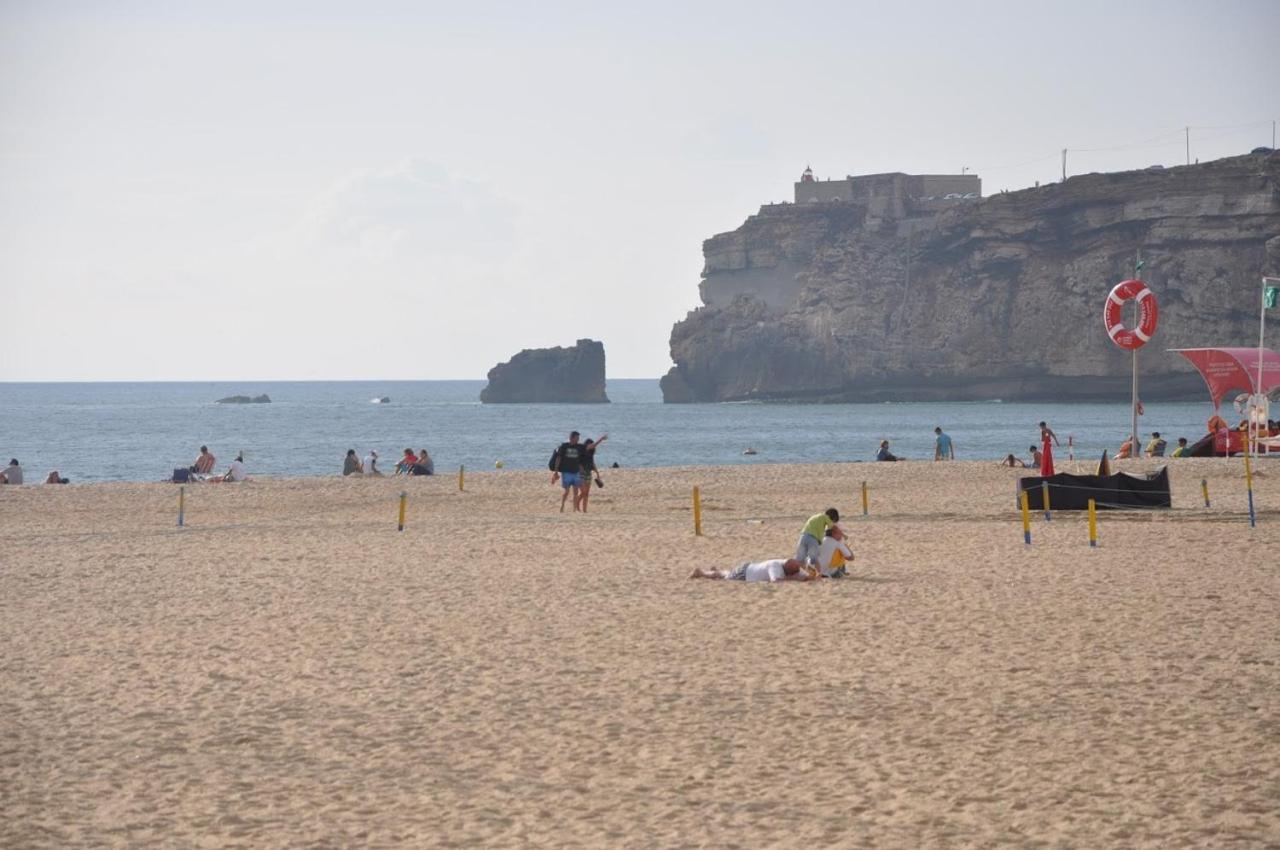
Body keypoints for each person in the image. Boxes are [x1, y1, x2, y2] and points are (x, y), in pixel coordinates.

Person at [689, 558, 816, 582]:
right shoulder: (775, 567)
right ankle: (702, 573)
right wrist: (794, 579)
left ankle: (716, 571)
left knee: (726, 573)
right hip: (745, 573)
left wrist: (810, 577)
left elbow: (803, 575)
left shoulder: (790, 565)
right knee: (725, 577)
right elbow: (776, 581)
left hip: (750, 568)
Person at [551, 430, 585, 512]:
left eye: (578, 438)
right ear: (571, 438)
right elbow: (558, 459)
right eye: (577, 438)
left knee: (576, 491)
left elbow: (580, 460)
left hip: (576, 472)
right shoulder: (564, 446)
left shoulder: (579, 447)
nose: (578, 440)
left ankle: (574, 509)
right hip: (566, 472)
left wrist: (582, 471)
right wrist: (556, 472)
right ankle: (562, 506)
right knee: (567, 491)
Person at [578, 433, 609, 512]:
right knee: (583, 492)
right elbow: (593, 445)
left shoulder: (591, 453)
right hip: (581, 473)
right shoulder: (584, 449)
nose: (592, 446)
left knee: (586, 493)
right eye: (591, 444)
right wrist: (601, 439)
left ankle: (584, 510)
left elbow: (592, 462)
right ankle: (577, 503)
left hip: (588, 472)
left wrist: (597, 472)